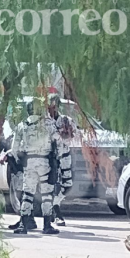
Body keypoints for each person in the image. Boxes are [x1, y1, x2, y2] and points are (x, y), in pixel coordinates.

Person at [10, 99, 60, 235]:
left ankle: (23, 224)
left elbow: (14, 148)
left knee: (28, 194)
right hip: (45, 163)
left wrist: (20, 160)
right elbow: (59, 142)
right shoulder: (49, 123)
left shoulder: (22, 125)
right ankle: (47, 225)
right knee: (46, 194)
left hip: (29, 163)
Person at [48, 95, 75, 226]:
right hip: (49, 157)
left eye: (54, 106)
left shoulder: (66, 120)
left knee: (68, 184)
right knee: (52, 185)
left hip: (64, 156)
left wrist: (66, 132)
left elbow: (73, 135)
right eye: (49, 106)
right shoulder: (44, 122)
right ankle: (56, 212)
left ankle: (55, 203)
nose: (51, 109)